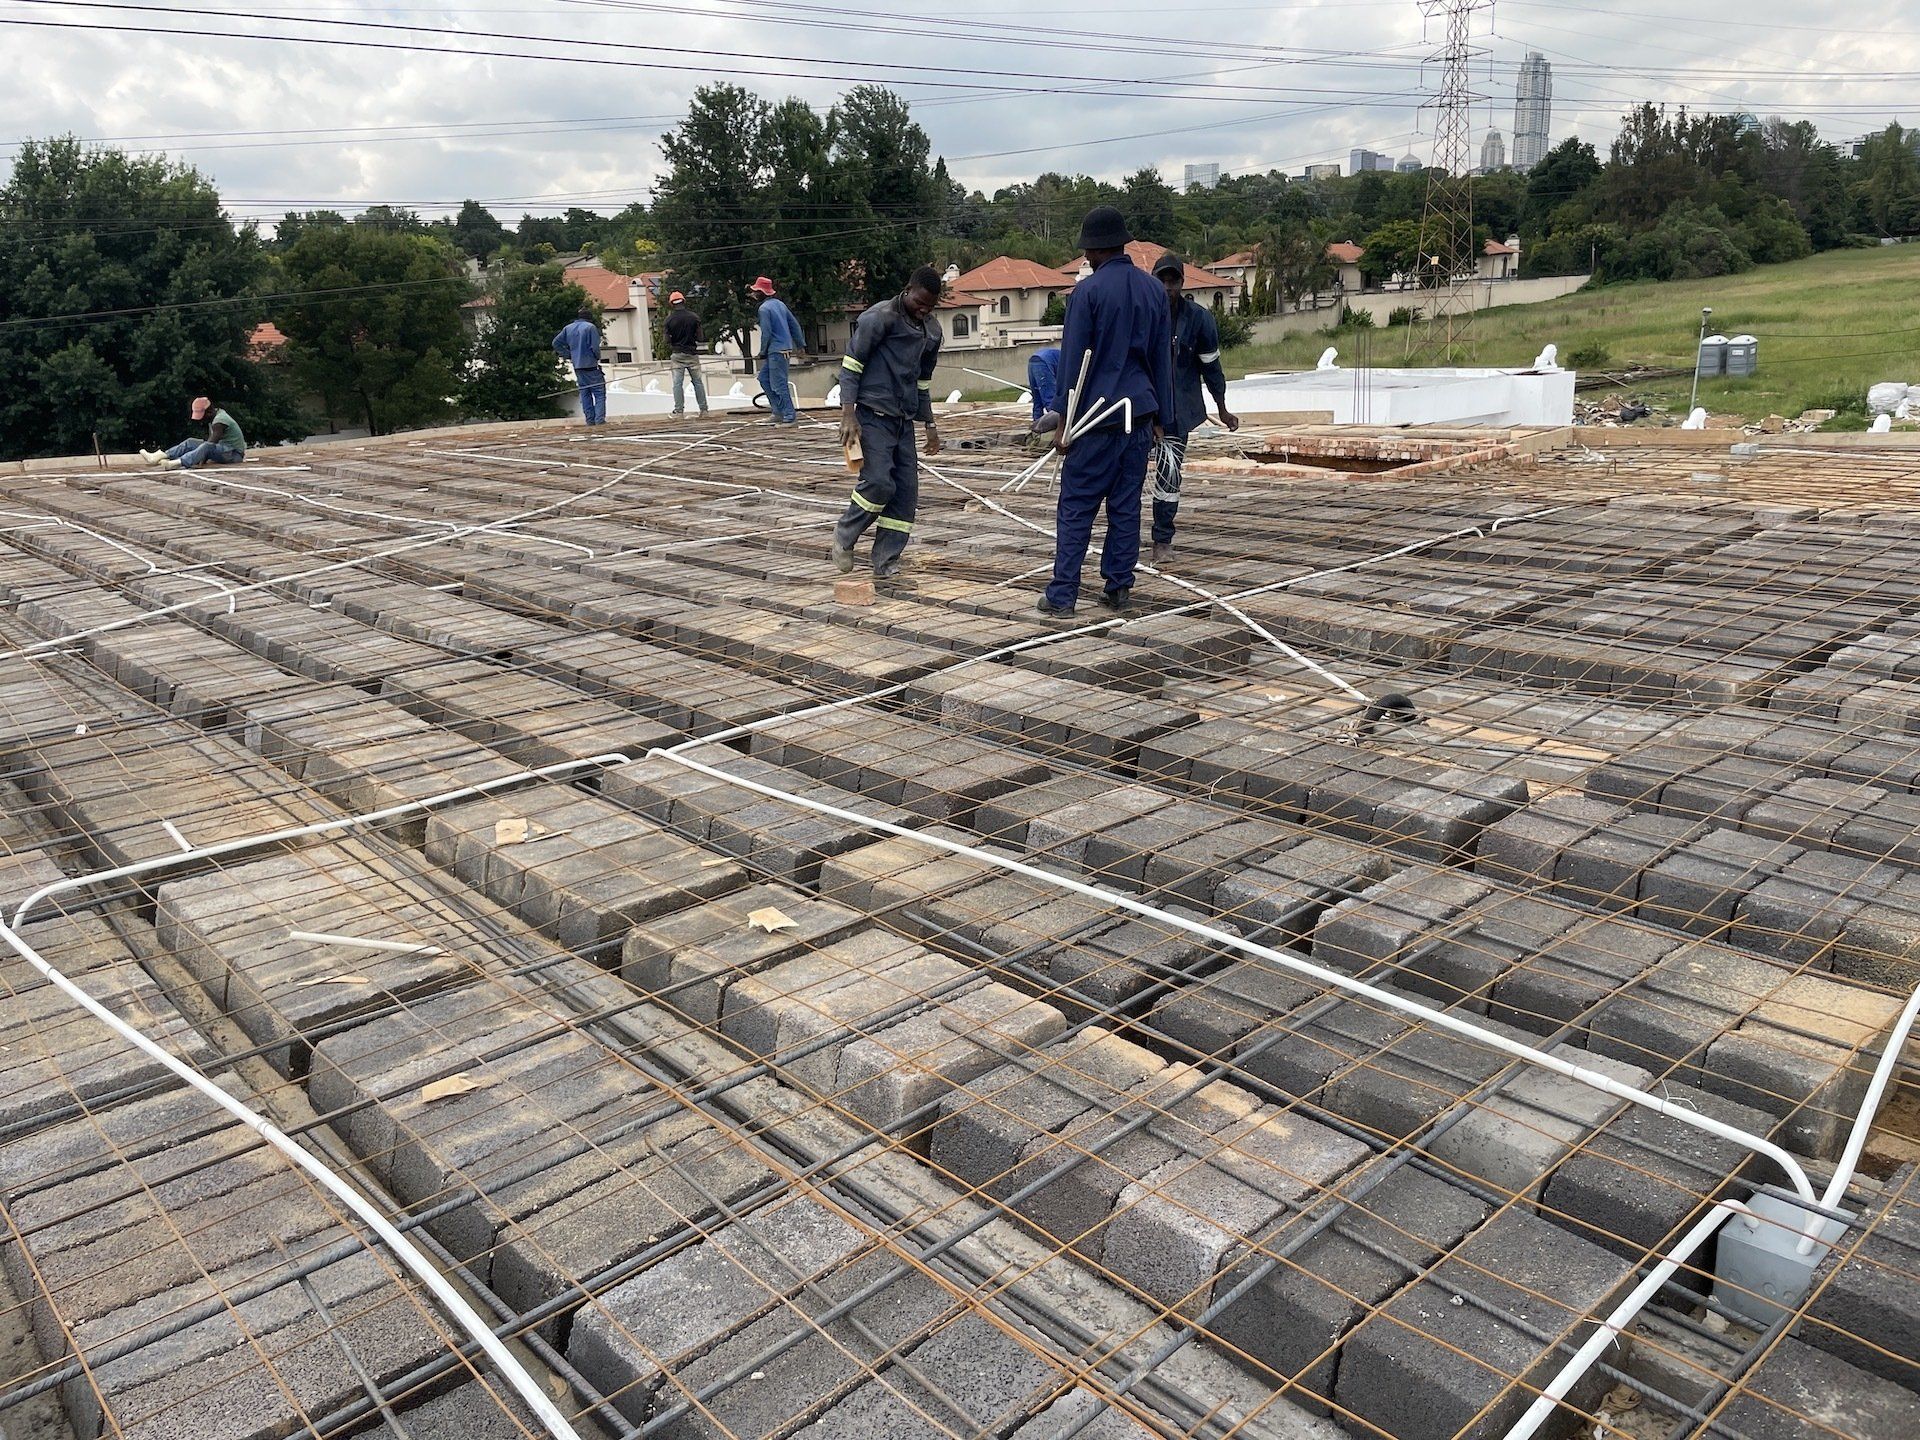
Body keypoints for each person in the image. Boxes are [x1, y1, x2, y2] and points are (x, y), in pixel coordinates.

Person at [1038, 205, 1170, 617]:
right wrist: (1163, 419)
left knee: (1077, 506)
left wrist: (1061, 420)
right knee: (1125, 508)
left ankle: (1062, 596)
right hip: (1139, 418)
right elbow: (1161, 361)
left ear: (1093, 251)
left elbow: (1075, 361)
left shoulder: (1087, 294)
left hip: (1095, 419)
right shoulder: (1153, 291)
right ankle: (1118, 588)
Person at [830, 266, 944, 580]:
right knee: (879, 483)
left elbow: (923, 382)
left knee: (905, 494)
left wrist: (930, 425)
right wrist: (848, 414)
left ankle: (886, 562)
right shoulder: (878, 318)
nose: (924, 310)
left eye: (930, 307)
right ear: (907, 289)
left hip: (903, 421)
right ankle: (844, 535)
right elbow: (851, 366)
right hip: (871, 416)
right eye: (920, 302)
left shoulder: (931, 331)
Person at [1148, 252, 1239, 565]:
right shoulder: (1142, 317)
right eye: (1162, 280)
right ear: (1153, 281)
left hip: (1178, 411)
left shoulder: (1198, 320)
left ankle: (1162, 539)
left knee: (1169, 475)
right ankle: (1120, 537)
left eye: (1173, 281)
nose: (1168, 287)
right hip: (1142, 411)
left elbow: (1212, 368)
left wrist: (1222, 409)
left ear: (1182, 283)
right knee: (1129, 475)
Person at [750, 276, 803, 425]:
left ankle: (789, 416)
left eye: (756, 291)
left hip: (776, 351)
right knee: (764, 379)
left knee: (779, 385)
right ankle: (777, 411)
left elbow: (766, 333)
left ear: (762, 292)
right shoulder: (780, 304)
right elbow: (794, 325)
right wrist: (800, 345)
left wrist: (762, 352)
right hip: (783, 349)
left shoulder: (764, 309)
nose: (754, 294)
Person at [141, 397, 246, 469]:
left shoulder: (220, 421)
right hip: (225, 450)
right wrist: (201, 457)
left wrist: (201, 456)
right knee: (191, 442)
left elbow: (210, 444)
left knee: (206, 446)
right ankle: (158, 456)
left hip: (234, 454)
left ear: (208, 412)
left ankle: (177, 463)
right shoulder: (215, 416)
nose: (201, 420)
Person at [553, 307, 606, 426]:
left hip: (577, 366)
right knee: (599, 394)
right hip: (591, 366)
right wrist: (596, 357)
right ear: (590, 318)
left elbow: (555, 343)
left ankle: (590, 420)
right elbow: (595, 348)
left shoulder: (568, 328)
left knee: (585, 393)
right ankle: (599, 421)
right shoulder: (590, 327)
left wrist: (569, 355)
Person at [663, 291, 709, 418]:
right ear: (684, 301)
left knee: (677, 383)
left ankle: (679, 412)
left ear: (672, 304)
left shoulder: (669, 320)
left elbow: (666, 340)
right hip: (692, 354)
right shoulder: (694, 317)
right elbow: (700, 338)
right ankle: (704, 410)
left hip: (677, 355)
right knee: (698, 382)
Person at [1027, 344, 1062, 434]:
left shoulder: (1061, 355)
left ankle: (1035, 428)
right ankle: (1055, 429)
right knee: (1051, 401)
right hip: (1044, 363)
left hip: (1033, 361)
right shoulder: (1072, 363)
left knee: (1037, 399)